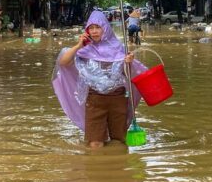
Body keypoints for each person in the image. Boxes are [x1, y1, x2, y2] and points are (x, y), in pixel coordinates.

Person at [52, 10, 147, 149]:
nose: (94, 31)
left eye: (98, 27)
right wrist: (79, 45)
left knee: (118, 142)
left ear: (105, 29)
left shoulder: (119, 48)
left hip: (118, 99)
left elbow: (126, 75)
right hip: (95, 100)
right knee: (95, 143)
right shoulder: (85, 50)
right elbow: (63, 63)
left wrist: (128, 62)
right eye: (91, 28)